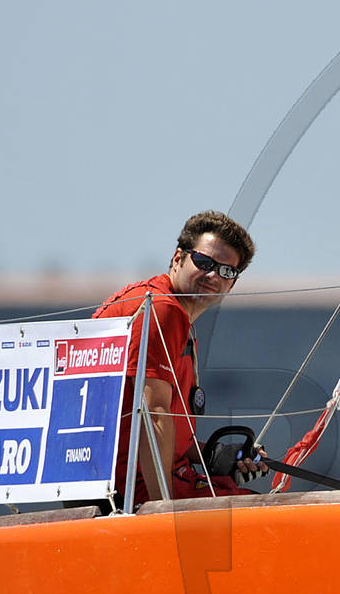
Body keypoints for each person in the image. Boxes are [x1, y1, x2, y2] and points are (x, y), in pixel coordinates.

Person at [94, 210, 267, 506]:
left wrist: (215, 455)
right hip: (131, 489)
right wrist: (163, 510)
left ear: (232, 284)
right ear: (178, 258)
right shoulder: (163, 309)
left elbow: (156, 424)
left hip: (140, 477)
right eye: (204, 262)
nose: (213, 276)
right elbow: (154, 414)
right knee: (264, 511)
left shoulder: (172, 314)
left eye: (226, 271)